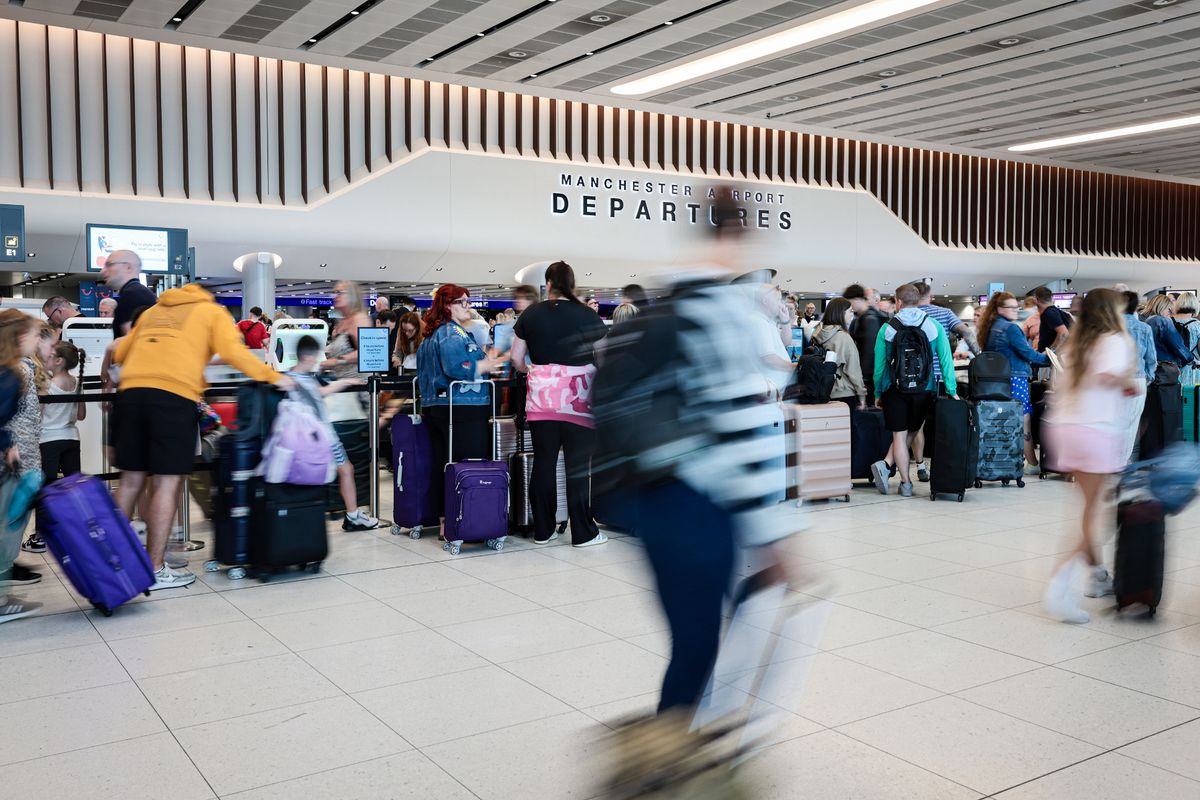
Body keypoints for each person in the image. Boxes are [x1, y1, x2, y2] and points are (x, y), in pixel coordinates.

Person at [592, 186, 797, 714]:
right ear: (734, 237)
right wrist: (774, 532)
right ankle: (671, 766)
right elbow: (740, 421)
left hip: (643, 495)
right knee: (703, 641)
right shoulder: (721, 310)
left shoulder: (665, 302)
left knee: (697, 636)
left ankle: (681, 747)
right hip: (696, 500)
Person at [112, 283, 293, 590]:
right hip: (172, 398)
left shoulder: (155, 310)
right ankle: (155, 569)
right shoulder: (210, 311)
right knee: (166, 485)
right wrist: (275, 377)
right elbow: (235, 353)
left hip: (130, 395)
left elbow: (123, 350)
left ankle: (111, 566)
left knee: (129, 482)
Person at [1042, 289, 1141, 624]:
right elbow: (1110, 374)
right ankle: (1060, 583)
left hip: (1065, 428)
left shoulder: (1075, 342)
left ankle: (1097, 576)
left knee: (1087, 508)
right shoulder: (1115, 340)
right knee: (1094, 516)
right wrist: (1130, 382)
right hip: (1097, 430)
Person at [510, 261, 609, 547]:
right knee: (578, 465)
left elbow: (517, 359)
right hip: (578, 400)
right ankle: (582, 532)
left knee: (543, 462)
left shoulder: (530, 314)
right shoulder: (588, 316)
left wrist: (534, 371)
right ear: (572, 284)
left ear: (549, 284)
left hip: (542, 400)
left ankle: (543, 530)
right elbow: (603, 359)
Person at [416, 285, 504, 525]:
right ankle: (463, 520)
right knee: (467, 464)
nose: (468, 306)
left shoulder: (433, 334)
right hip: (462, 408)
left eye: (468, 301)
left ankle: (447, 519)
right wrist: (484, 366)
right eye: (462, 302)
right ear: (447, 305)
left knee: (445, 462)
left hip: (440, 407)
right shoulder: (451, 334)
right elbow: (457, 367)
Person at [869, 283, 958, 498]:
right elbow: (946, 360)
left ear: (898, 302)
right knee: (912, 431)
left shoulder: (887, 328)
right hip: (925, 388)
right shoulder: (933, 325)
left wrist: (878, 392)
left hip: (894, 389)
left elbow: (879, 366)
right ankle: (889, 466)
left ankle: (906, 484)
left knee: (899, 436)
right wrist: (952, 389)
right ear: (918, 301)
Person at [289, 335, 379, 531]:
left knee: (342, 470)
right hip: (323, 438)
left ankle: (351, 514)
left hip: (307, 439)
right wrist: (347, 381)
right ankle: (353, 515)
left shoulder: (291, 378)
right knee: (345, 470)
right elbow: (322, 393)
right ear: (309, 357)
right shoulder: (302, 380)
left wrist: (345, 381)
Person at [0, 310, 45, 622]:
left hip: (14, 457)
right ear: (18, 338)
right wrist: (7, 444)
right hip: (15, 460)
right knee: (9, 525)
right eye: (33, 334)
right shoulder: (17, 372)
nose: (37, 340)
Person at [22, 339, 88, 555]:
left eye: (49, 356)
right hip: (71, 437)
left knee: (46, 488)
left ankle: (40, 537)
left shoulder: (46, 385)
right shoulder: (77, 383)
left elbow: (37, 415)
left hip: (48, 440)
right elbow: (81, 415)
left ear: (58, 361)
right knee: (72, 487)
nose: (45, 359)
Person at [976, 292, 1050, 466]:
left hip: (996, 381)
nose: (1016, 310)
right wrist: (1048, 358)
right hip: (1015, 378)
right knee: (1023, 420)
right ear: (1000, 309)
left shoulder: (989, 328)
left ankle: (1005, 460)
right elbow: (1027, 353)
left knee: (1002, 421)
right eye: (1012, 307)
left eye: (1017, 306)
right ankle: (1031, 462)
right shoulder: (1011, 328)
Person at [1119, 290, 1155, 461]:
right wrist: (1148, 378)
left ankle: (1110, 460)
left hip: (1114, 379)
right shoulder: (1144, 328)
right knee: (1131, 424)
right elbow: (1151, 359)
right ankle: (1122, 461)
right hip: (1137, 378)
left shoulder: (1110, 327)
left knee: (1113, 420)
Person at [812, 297, 867, 410]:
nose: (852, 315)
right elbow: (853, 370)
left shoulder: (817, 334)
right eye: (850, 311)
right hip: (843, 393)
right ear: (841, 313)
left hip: (821, 391)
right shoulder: (843, 337)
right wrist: (862, 395)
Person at [845, 284, 888, 404]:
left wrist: (862, 381)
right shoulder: (865, 317)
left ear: (857, 299)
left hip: (869, 379)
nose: (850, 306)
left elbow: (870, 352)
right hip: (870, 377)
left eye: (850, 302)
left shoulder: (869, 320)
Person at [100, 249, 158, 335]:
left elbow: (130, 342)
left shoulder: (131, 296)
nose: (102, 271)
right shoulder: (140, 292)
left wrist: (112, 347)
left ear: (128, 267)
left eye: (109, 265)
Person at [1143, 293, 1195, 371]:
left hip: (1150, 366)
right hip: (1165, 368)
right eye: (1169, 309)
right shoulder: (1164, 321)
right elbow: (1177, 345)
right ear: (1162, 307)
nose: (1170, 313)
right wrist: (1191, 359)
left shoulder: (1147, 321)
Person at [1033, 286, 1071, 353]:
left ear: (1036, 299)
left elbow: (1064, 334)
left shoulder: (1049, 313)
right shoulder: (1056, 312)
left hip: (1053, 358)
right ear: (1051, 298)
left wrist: (1050, 351)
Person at [1173, 292, 1200, 385]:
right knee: (1190, 398)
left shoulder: (1168, 322)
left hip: (1171, 370)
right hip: (1191, 369)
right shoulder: (1197, 325)